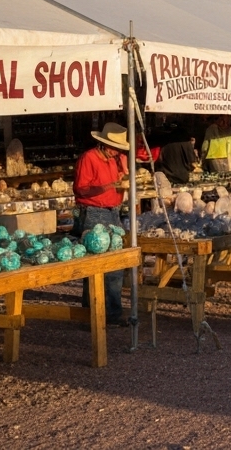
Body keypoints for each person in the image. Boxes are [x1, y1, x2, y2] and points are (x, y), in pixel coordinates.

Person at [73, 122, 131, 326]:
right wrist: (109, 185)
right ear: (105, 146)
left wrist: (123, 172)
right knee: (94, 266)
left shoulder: (117, 159)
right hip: (93, 212)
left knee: (115, 266)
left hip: (113, 210)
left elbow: (125, 178)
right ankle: (92, 314)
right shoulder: (89, 158)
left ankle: (112, 313)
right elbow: (81, 190)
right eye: (116, 148)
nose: (118, 152)